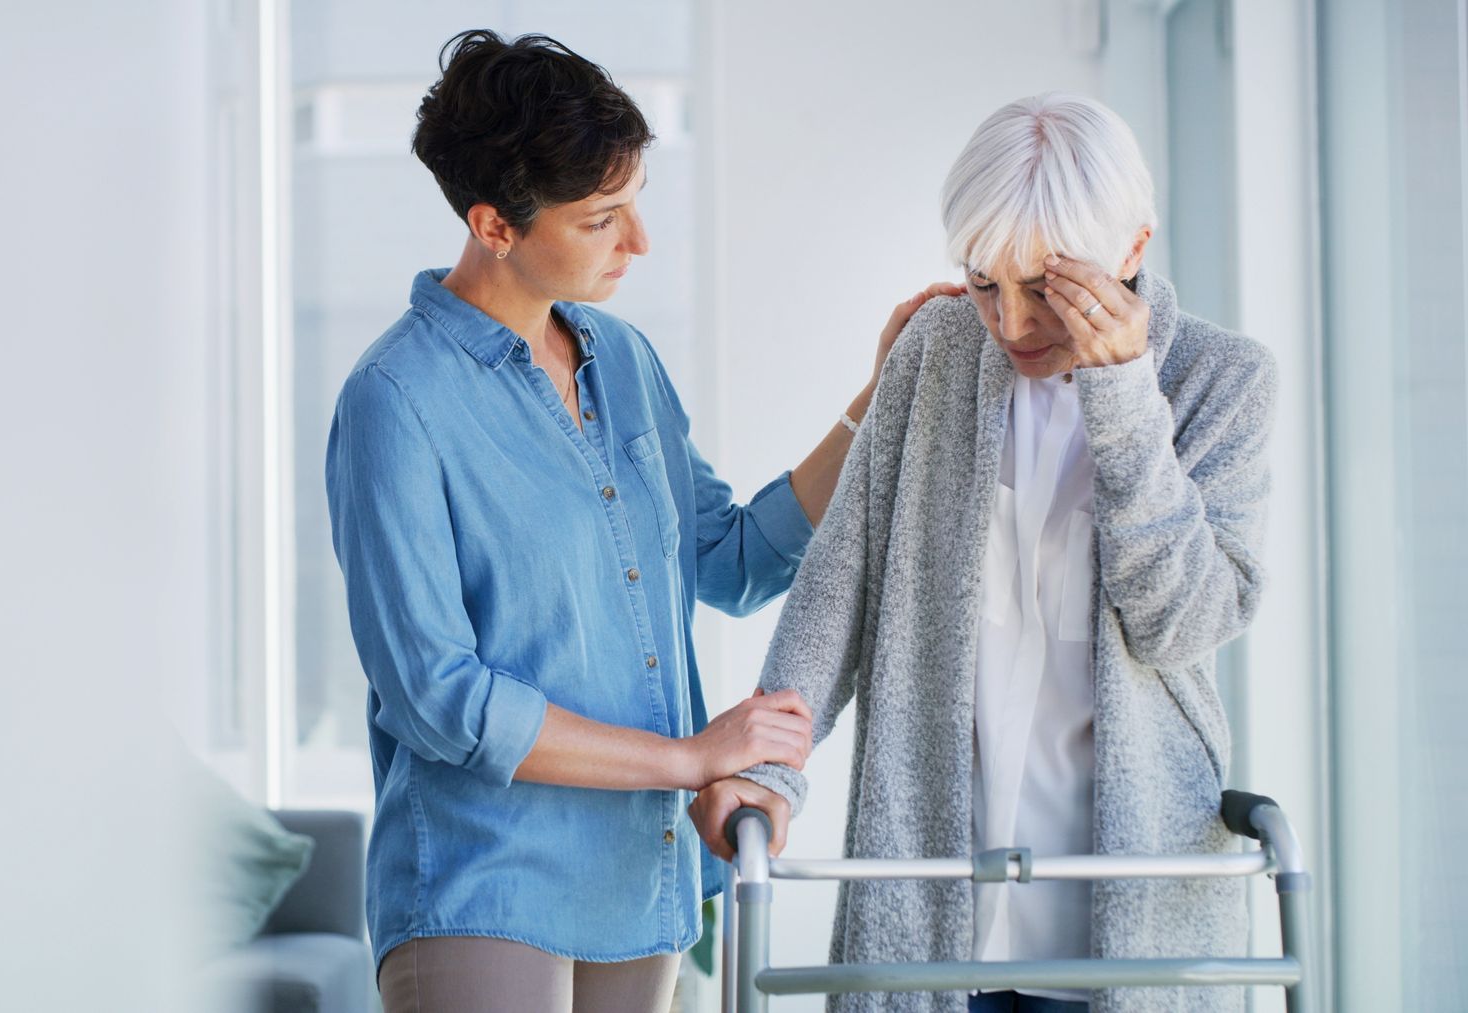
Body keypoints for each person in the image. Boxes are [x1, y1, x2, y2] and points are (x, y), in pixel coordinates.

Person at [326, 29, 957, 1013]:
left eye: (638, 205)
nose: (639, 244)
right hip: (481, 881)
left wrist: (874, 401)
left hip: (639, 876)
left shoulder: (622, 360)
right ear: (495, 225)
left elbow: (732, 558)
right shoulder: (395, 399)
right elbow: (436, 695)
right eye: (602, 218)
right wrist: (689, 758)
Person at [690, 93, 1277, 1013]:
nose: (1010, 323)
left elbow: (1185, 621)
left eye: (1045, 287)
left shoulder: (1220, 380)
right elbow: (840, 582)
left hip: (1124, 906)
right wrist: (770, 770)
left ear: (1131, 248)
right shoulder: (936, 350)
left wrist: (1121, 393)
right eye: (982, 280)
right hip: (940, 893)